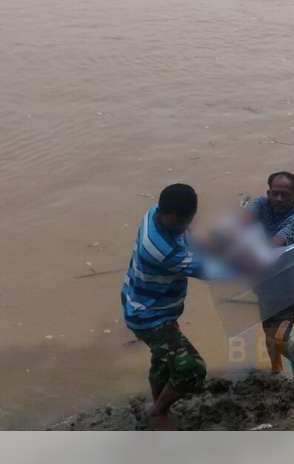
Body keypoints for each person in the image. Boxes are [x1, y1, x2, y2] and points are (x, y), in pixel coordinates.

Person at [121, 183, 208, 430]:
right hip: (150, 317)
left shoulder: (153, 212)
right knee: (192, 369)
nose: (183, 228)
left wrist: (199, 240)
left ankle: (159, 407)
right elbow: (210, 271)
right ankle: (157, 411)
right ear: (167, 214)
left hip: (144, 302)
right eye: (180, 223)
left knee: (162, 359)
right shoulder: (162, 251)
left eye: (188, 221)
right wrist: (251, 265)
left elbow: (186, 237)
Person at [244, 171, 294, 377]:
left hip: (291, 290)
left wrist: (246, 252)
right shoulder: (262, 204)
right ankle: (276, 371)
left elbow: (275, 244)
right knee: (269, 333)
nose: (279, 199)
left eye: (285, 195)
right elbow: (244, 220)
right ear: (268, 193)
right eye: (275, 193)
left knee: (279, 337)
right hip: (266, 286)